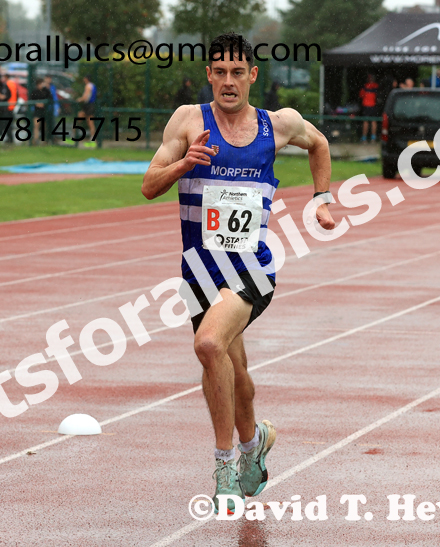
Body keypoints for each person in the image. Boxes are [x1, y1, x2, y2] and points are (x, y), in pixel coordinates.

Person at [141, 32, 337, 515]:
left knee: (208, 345)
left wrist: (322, 198)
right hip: (199, 273)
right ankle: (257, 442)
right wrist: (184, 163)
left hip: (252, 268)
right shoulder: (189, 121)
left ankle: (224, 466)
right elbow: (148, 185)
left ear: (252, 75)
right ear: (209, 74)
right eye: (219, 72)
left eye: (237, 72)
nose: (228, 82)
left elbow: (320, 143)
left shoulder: (279, 124)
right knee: (234, 371)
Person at [76, 75, 97, 148]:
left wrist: (79, 99)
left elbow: (85, 97)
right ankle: (92, 138)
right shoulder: (93, 85)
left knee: (86, 120)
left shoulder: (88, 86)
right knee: (89, 121)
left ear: (86, 79)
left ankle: (75, 136)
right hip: (90, 105)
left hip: (88, 105)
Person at [29, 77, 52, 143]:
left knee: (44, 126)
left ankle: (44, 140)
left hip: (44, 111)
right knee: (36, 125)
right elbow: (31, 100)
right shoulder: (34, 91)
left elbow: (50, 99)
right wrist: (36, 104)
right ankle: (35, 139)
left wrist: (44, 104)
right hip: (37, 111)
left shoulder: (46, 91)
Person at [359, 73, 378, 143]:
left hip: (366, 106)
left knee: (366, 122)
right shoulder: (376, 86)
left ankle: (364, 138)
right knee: (373, 121)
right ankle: (373, 138)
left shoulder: (365, 86)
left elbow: (361, 95)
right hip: (373, 105)